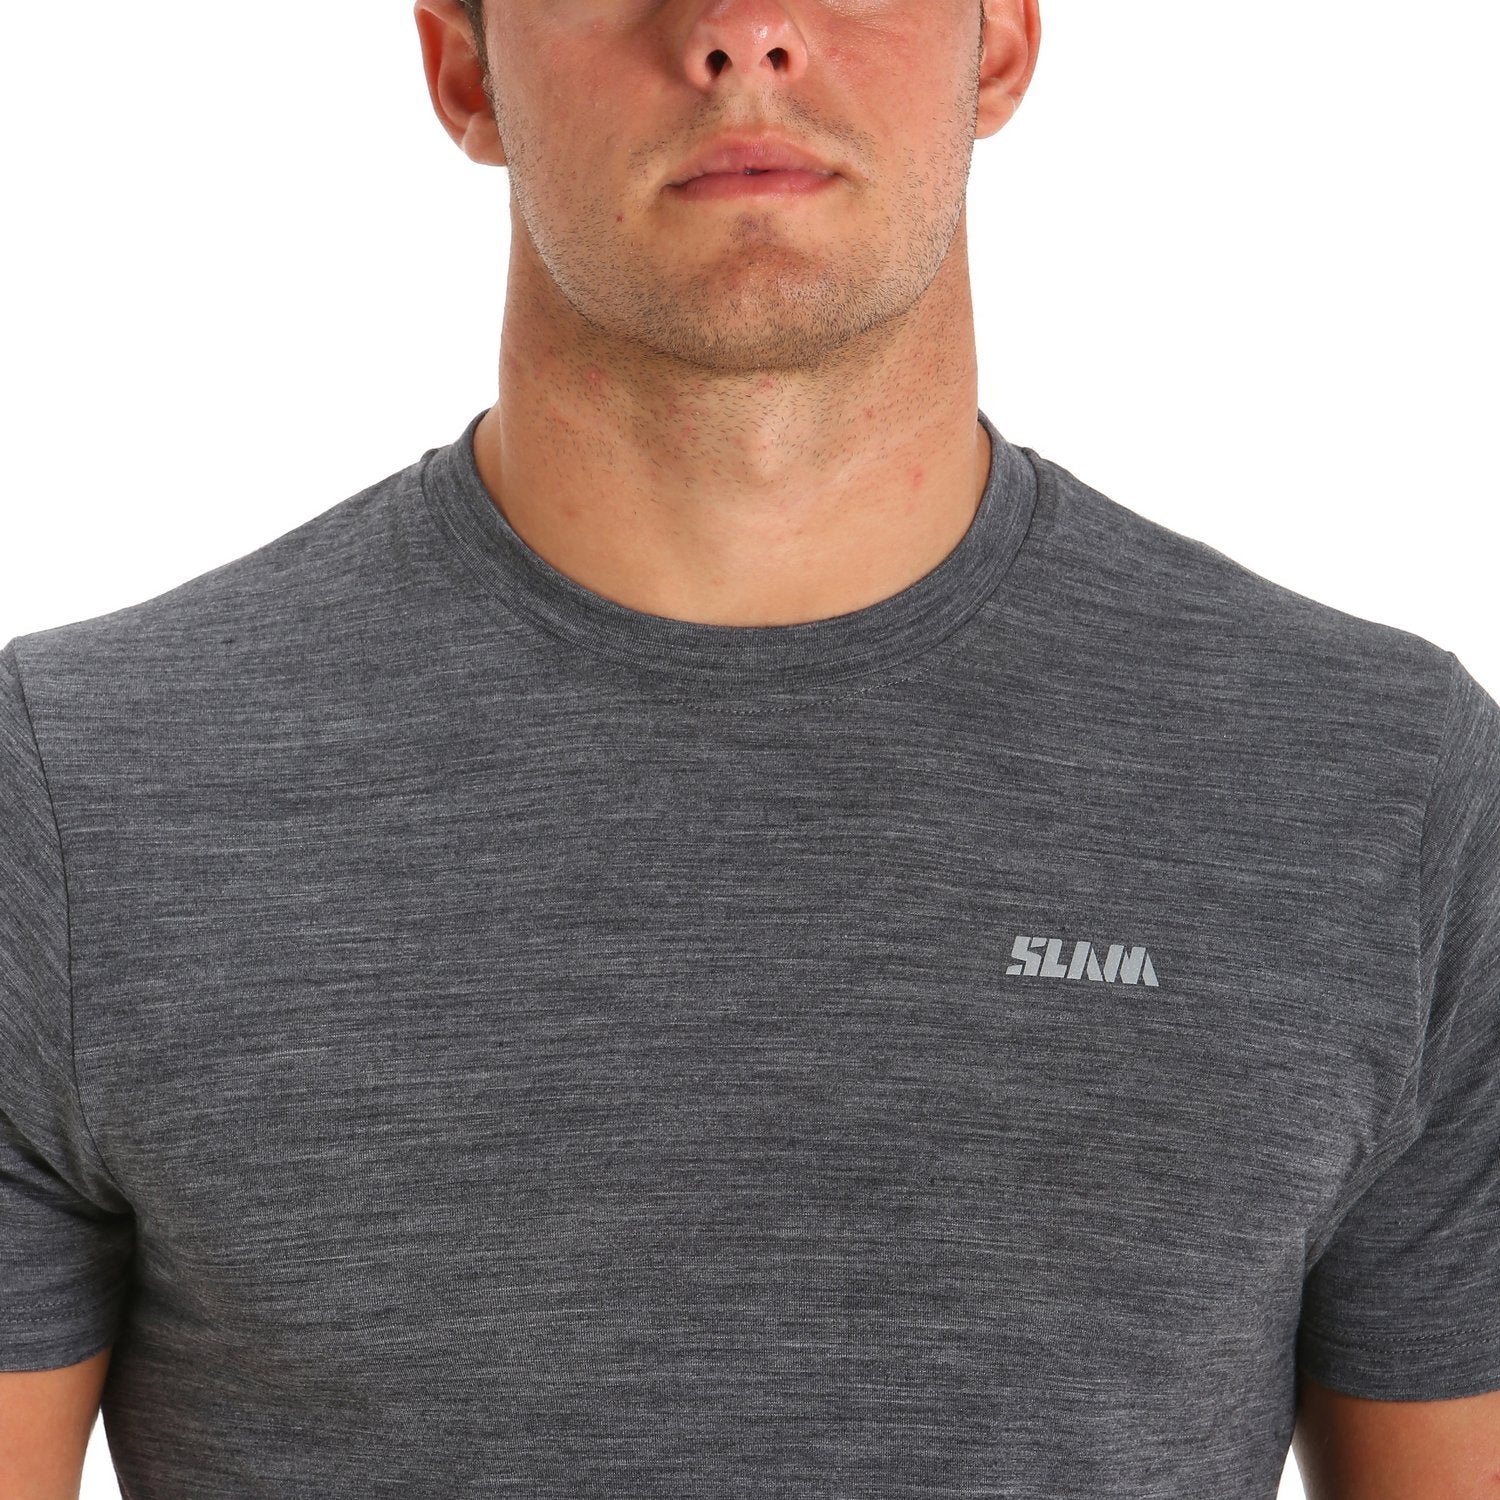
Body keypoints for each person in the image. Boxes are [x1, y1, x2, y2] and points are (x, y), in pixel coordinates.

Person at [2, 1, 1497, 1496]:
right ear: (465, 65)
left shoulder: (1378, 798)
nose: (743, 28)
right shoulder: (82, 800)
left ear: (998, 43)